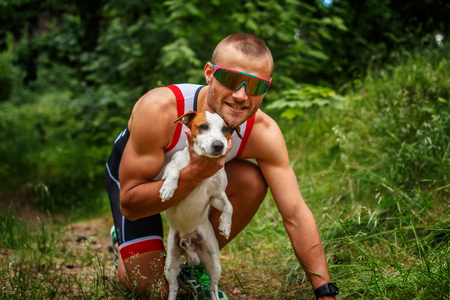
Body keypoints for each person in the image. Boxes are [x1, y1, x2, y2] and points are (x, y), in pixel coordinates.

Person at [105, 33, 338, 299]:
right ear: (209, 73)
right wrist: (194, 174)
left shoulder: (263, 132)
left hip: (193, 192)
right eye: (229, 79)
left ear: (267, 88)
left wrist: (325, 292)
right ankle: (121, 242)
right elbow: (131, 205)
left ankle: (193, 265)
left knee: (252, 181)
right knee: (154, 291)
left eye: (256, 86)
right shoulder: (160, 108)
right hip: (140, 188)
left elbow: (295, 213)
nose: (241, 95)